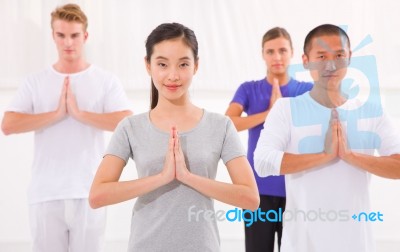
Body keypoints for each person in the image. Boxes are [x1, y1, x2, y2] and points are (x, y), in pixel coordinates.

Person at [89, 22, 260, 252]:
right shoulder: (130, 127)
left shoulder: (221, 126)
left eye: (183, 64)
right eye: (162, 64)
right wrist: (162, 177)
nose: (173, 75)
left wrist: (188, 177)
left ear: (196, 66)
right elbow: (97, 196)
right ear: (148, 65)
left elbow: (250, 199)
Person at [254, 24, 400, 252]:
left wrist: (350, 156)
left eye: (339, 55)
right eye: (321, 56)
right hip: (302, 245)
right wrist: (324, 155)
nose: (330, 65)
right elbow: (262, 162)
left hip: (356, 244)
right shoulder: (286, 109)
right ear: (305, 60)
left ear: (349, 58)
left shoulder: (372, 112)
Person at [1, 4, 132, 252]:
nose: (68, 42)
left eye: (74, 35)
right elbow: (8, 125)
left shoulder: (105, 80)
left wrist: (80, 114)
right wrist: (57, 114)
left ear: (85, 36)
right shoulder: (35, 81)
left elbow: (125, 121)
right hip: (45, 193)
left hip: (89, 191)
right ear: (53, 36)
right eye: (61, 35)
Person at [225, 27, 312, 252]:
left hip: (295, 188)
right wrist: (271, 112)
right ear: (262, 54)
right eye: (270, 51)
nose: (277, 57)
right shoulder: (248, 89)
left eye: (282, 50)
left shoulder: (306, 90)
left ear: (292, 52)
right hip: (257, 189)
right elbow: (229, 124)